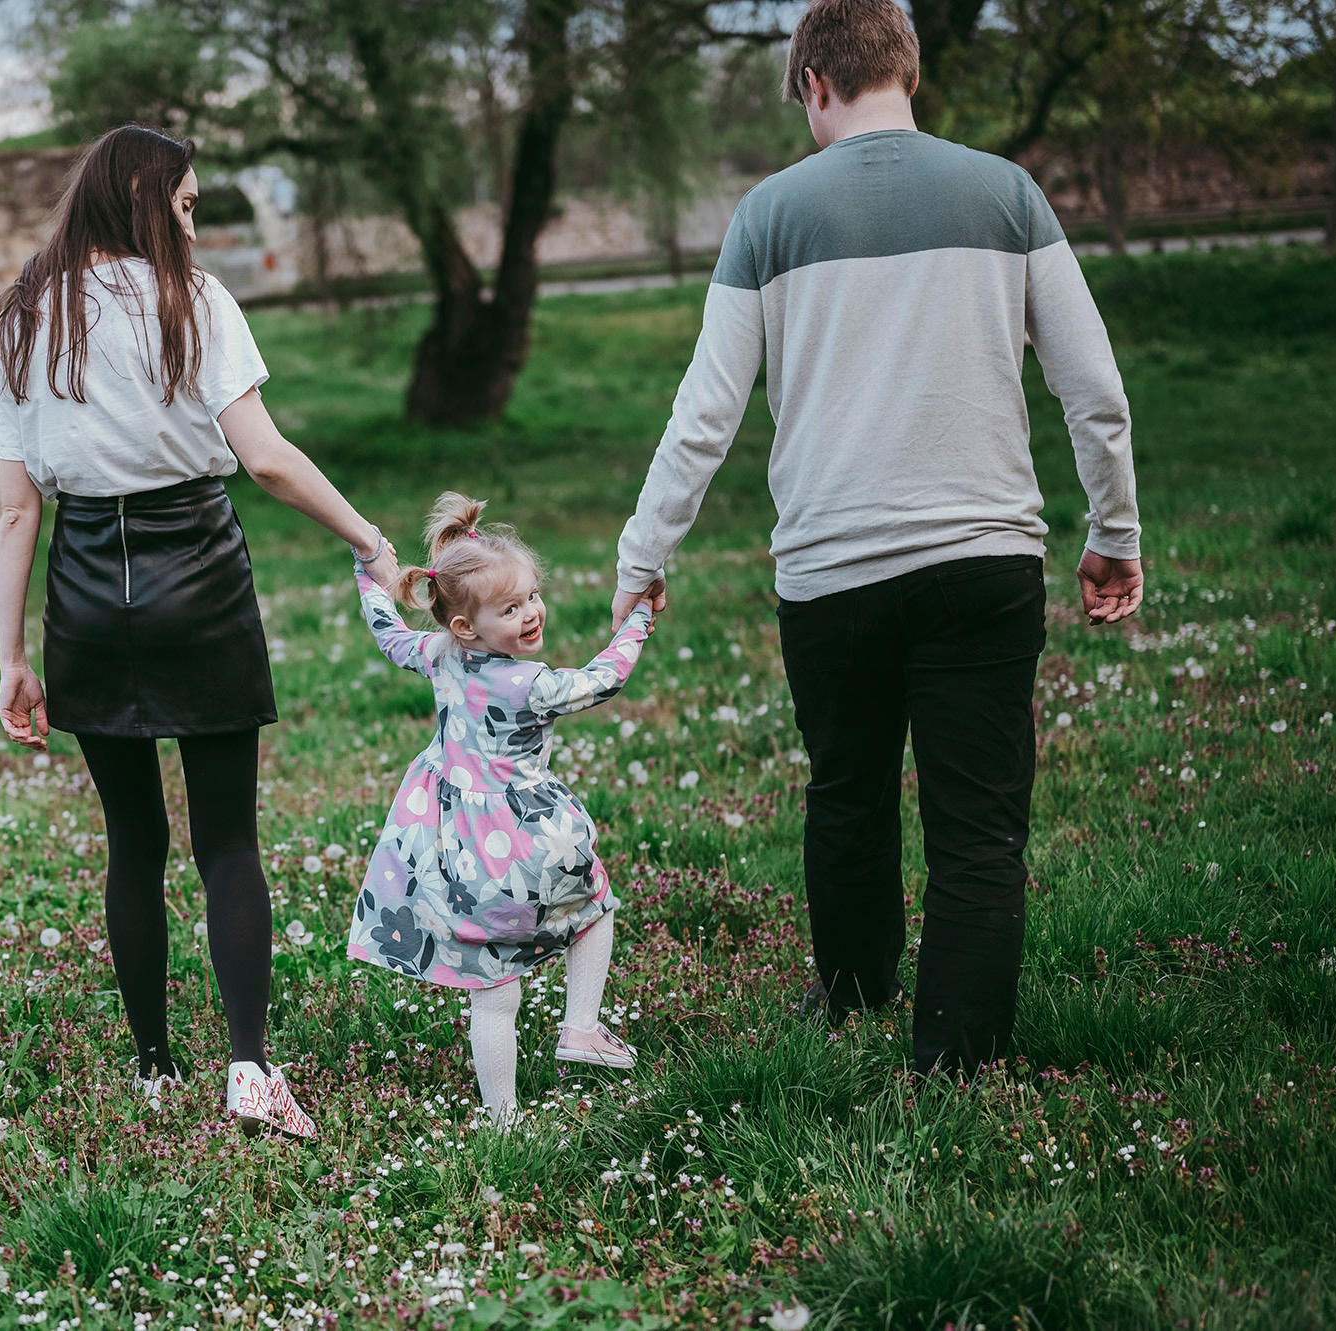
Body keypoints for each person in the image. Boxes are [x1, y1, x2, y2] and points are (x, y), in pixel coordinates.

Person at [609, 0, 1143, 1076]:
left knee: (846, 792)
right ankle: (957, 1054)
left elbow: (704, 414)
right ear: (910, 74)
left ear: (813, 84)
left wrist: (642, 557)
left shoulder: (767, 213)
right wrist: (1114, 530)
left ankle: (852, 990)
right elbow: (1092, 388)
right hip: (984, 561)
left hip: (831, 574)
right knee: (978, 822)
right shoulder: (1007, 193)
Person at [0, 124, 399, 1138]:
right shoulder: (192, 301)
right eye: (186, 205)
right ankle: (248, 1071)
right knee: (227, 837)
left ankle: (155, 1068)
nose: (192, 227)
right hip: (197, 575)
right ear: (142, 201)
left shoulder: (28, 316)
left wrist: (13, 656)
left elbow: (15, 510)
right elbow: (268, 460)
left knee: (133, 840)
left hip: (84, 587)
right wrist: (370, 541)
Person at [348, 493, 655, 1124]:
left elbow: (389, 635)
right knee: (594, 908)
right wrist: (639, 619)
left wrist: (368, 574)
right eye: (510, 608)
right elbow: (604, 678)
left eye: (532, 596)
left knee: (491, 990)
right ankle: (580, 1027)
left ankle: (504, 1119)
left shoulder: (439, 656)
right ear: (466, 625)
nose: (531, 613)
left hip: (458, 853)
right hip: (532, 840)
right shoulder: (528, 683)